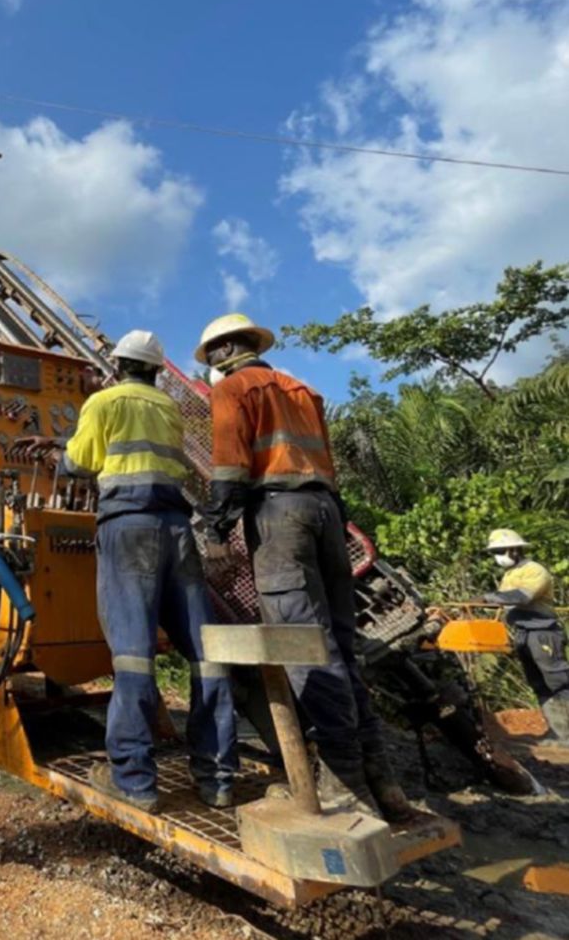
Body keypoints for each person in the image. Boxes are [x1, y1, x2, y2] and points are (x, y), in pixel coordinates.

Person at [195, 312, 410, 819]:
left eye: (213, 357)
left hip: (279, 516)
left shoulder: (234, 389)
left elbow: (229, 468)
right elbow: (326, 463)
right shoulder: (301, 390)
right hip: (327, 513)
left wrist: (216, 531)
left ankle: (343, 784)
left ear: (225, 351)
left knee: (304, 644)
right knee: (341, 643)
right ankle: (383, 780)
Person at [21, 329, 238, 812]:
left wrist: (60, 448)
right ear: (158, 370)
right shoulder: (167, 409)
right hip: (177, 528)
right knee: (206, 653)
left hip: (128, 528)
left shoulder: (102, 401)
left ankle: (135, 781)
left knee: (132, 656)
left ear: (117, 365)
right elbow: (133, 450)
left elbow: (81, 463)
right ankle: (218, 777)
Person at [483, 529, 569, 740]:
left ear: (515, 549)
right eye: (495, 552)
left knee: (558, 681)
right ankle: (560, 732)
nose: (498, 556)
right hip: (523, 632)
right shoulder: (509, 575)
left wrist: (488, 597)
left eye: (501, 550)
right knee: (538, 683)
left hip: (542, 631)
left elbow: (523, 596)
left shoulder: (534, 570)